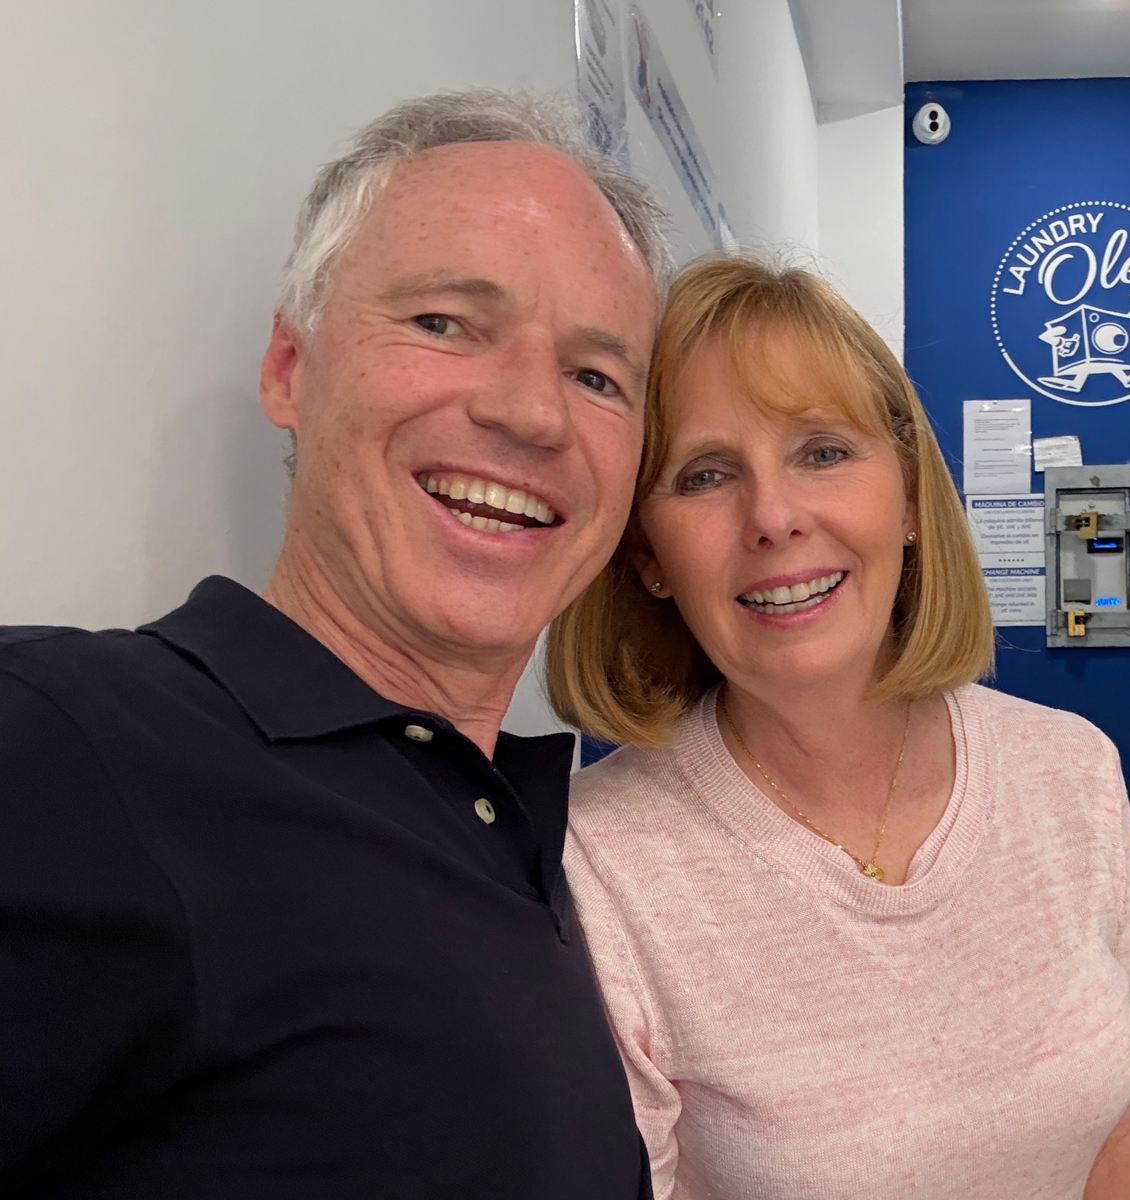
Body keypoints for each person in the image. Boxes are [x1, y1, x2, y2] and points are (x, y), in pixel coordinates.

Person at [0, 91, 667, 1198]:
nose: (534, 414)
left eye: (598, 376)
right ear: (288, 368)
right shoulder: (67, 747)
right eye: (446, 321)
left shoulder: (538, 835)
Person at [548, 257, 1130, 1199]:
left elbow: (1116, 1143)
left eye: (823, 452)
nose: (774, 516)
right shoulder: (599, 865)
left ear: (911, 496)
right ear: (648, 557)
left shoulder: (1070, 772)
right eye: (706, 474)